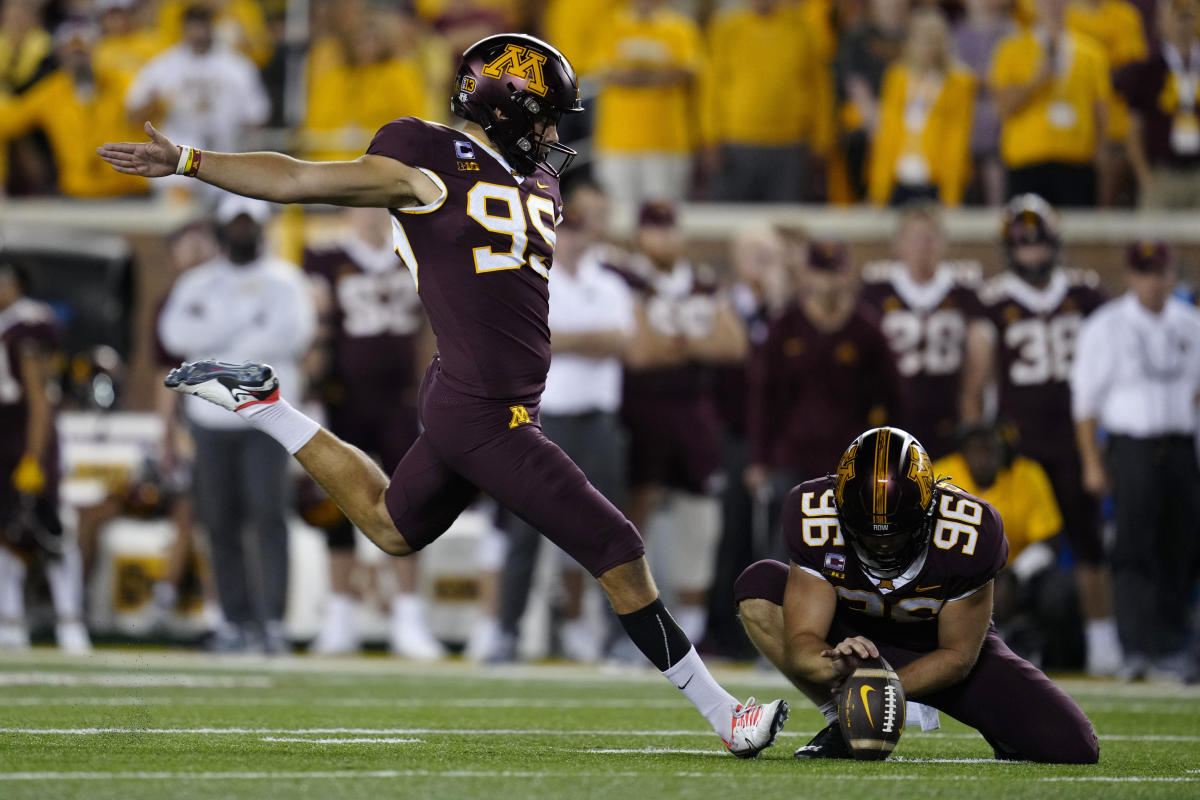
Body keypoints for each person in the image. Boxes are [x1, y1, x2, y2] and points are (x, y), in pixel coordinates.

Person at [99, 32, 788, 756]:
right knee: (618, 549)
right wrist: (189, 161)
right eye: (546, 116)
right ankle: (726, 717)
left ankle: (265, 405)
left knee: (393, 527)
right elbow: (300, 179)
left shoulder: (541, 184)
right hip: (487, 415)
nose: (554, 134)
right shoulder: (425, 159)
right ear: (506, 108)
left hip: (483, 402)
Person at [734, 426, 1099, 763]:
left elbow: (957, 655)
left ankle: (986, 730)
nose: (882, 549)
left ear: (929, 512)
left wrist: (881, 691)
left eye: (894, 536)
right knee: (760, 586)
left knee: (1073, 745)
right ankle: (842, 724)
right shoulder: (814, 513)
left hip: (939, 647)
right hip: (856, 637)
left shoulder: (970, 532)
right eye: (869, 536)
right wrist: (835, 665)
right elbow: (802, 642)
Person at [963, 193, 1120, 675]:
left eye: (1039, 243)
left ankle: (1103, 644)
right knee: (1004, 547)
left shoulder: (1085, 294)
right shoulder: (994, 301)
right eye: (1022, 244)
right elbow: (975, 383)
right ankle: (991, 643)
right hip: (1020, 445)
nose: (1032, 253)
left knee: (1089, 542)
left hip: (1075, 441)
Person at [156, 195, 317, 653]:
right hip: (210, 416)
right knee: (218, 520)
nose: (243, 230)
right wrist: (243, 332)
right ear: (223, 228)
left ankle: (272, 622)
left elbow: (293, 333)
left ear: (262, 227)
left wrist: (215, 341)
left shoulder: (286, 280)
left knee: (269, 516)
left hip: (269, 417)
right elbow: (173, 336)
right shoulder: (198, 282)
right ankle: (234, 620)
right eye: (236, 223)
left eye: (250, 222)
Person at [488, 179, 634, 663]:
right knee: (525, 531)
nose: (569, 239)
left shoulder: (610, 282)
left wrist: (565, 340)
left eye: (576, 231)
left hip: (598, 421)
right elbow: (535, 344)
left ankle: (619, 637)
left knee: (608, 531)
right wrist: (584, 340)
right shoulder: (534, 277)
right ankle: (506, 630)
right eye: (562, 231)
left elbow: (620, 342)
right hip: (544, 421)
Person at [302, 205, 445, 659]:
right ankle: (340, 616)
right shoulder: (322, 257)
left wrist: (432, 388)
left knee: (410, 505)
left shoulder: (413, 252)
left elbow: (430, 328)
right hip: (345, 398)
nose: (370, 213)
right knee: (337, 506)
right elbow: (314, 332)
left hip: (402, 399)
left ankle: (408, 615)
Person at [611, 202, 748, 646]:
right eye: (656, 231)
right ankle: (629, 623)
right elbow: (641, 352)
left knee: (701, 519)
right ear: (639, 235)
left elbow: (734, 345)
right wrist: (697, 343)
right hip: (641, 412)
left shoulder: (703, 282)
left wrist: (677, 342)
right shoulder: (623, 277)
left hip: (695, 414)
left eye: (671, 230)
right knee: (634, 515)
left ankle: (691, 623)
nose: (665, 240)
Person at [1072, 241, 1200, 681]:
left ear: (1172, 275)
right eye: (1145, 273)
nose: (1154, 282)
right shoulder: (1105, 326)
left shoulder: (1190, 322)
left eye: (1161, 273)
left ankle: (1171, 646)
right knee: (1132, 547)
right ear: (1130, 277)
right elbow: (1086, 403)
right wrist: (1092, 461)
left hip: (1181, 445)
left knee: (1181, 546)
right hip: (1131, 446)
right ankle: (1137, 647)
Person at [745, 237, 906, 556]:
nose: (827, 281)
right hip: (792, 457)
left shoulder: (867, 329)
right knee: (786, 553)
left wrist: (889, 460)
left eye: (834, 272)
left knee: (852, 555)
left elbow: (894, 400)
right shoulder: (784, 327)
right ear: (806, 275)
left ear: (848, 275)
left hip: (852, 462)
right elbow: (763, 398)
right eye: (821, 272)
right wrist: (758, 459)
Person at [0, 258, 91, 654]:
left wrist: (34, 455)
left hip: (25, 435)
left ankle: (71, 622)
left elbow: (39, 399)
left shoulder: (29, 323)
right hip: (4, 434)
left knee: (49, 532)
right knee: (5, 534)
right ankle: (11, 620)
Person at [932, 422, 1075, 665]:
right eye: (976, 450)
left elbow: (1050, 540)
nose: (983, 458)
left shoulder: (1027, 474)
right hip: (954, 575)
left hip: (1016, 572)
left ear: (1002, 452)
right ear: (963, 453)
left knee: (1058, 591)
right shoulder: (940, 475)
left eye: (990, 450)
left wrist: (1015, 575)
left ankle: (1036, 645)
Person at [859, 202, 988, 459]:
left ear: (943, 244)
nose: (922, 246)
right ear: (898, 244)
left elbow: (980, 345)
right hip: (892, 405)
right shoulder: (877, 289)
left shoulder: (961, 289)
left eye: (930, 237)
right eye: (914, 238)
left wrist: (971, 398)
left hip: (946, 403)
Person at [0, 19, 148, 198]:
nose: (79, 58)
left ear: (96, 50)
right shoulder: (52, 91)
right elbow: (9, 122)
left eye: (84, 50)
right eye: (72, 51)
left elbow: (152, 103)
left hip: (128, 191)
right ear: (60, 54)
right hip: (77, 194)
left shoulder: (122, 81)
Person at [989, 0, 1112, 206]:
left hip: (1076, 164)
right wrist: (1035, 83)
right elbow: (1003, 108)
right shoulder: (1010, 49)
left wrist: (1098, 159)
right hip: (1027, 163)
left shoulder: (1092, 53)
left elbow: (1101, 113)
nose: (1053, 4)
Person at [587, 0, 703, 209]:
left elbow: (684, 74)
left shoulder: (680, 27)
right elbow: (607, 74)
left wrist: (634, 75)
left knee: (663, 217)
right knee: (616, 215)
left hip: (667, 143)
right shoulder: (609, 24)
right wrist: (658, 75)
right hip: (617, 142)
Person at [700, 0, 815, 202]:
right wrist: (710, 139)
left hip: (789, 145)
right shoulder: (727, 29)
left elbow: (817, 86)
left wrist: (821, 138)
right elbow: (711, 86)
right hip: (736, 144)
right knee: (731, 221)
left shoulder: (801, 30)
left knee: (786, 223)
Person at [868, 8, 977, 206]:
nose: (928, 45)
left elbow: (957, 140)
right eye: (922, 38)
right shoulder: (897, 78)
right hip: (898, 182)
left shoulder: (959, 82)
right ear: (911, 40)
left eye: (933, 38)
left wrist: (951, 196)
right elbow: (886, 135)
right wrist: (878, 191)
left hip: (935, 183)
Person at [1118, 0, 1200, 209]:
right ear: (1161, 22)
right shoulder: (1148, 70)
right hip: (1163, 175)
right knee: (1152, 238)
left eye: (1188, 16)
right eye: (1176, 16)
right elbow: (1133, 128)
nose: (1183, 24)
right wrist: (1144, 175)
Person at [952, 0, 1015, 205]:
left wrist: (983, 79)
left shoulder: (1011, 32)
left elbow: (1012, 77)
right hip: (964, 110)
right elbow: (955, 78)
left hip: (1001, 109)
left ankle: (996, 208)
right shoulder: (957, 33)